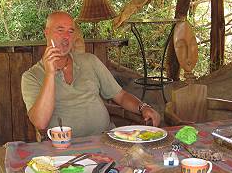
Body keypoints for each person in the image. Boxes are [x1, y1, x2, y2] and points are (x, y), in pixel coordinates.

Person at [21, 11, 161, 137]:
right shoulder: (32, 76)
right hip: (63, 148)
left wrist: (143, 107)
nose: (66, 37)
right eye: (60, 30)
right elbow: (40, 122)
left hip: (105, 139)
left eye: (70, 31)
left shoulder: (89, 61)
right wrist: (50, 74)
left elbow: (121, 95)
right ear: (46, 33)